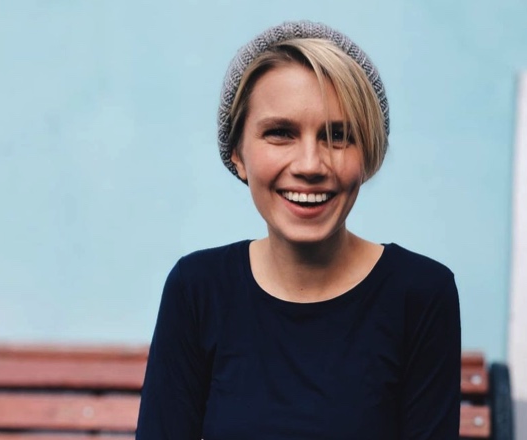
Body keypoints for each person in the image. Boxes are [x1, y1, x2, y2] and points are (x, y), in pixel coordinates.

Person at [136, 20, 461, 440]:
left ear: (367, 154)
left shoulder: (421, 294)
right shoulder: (197, 290)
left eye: (338, 136)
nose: (310, 165)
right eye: (280, 133)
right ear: (237, 153)